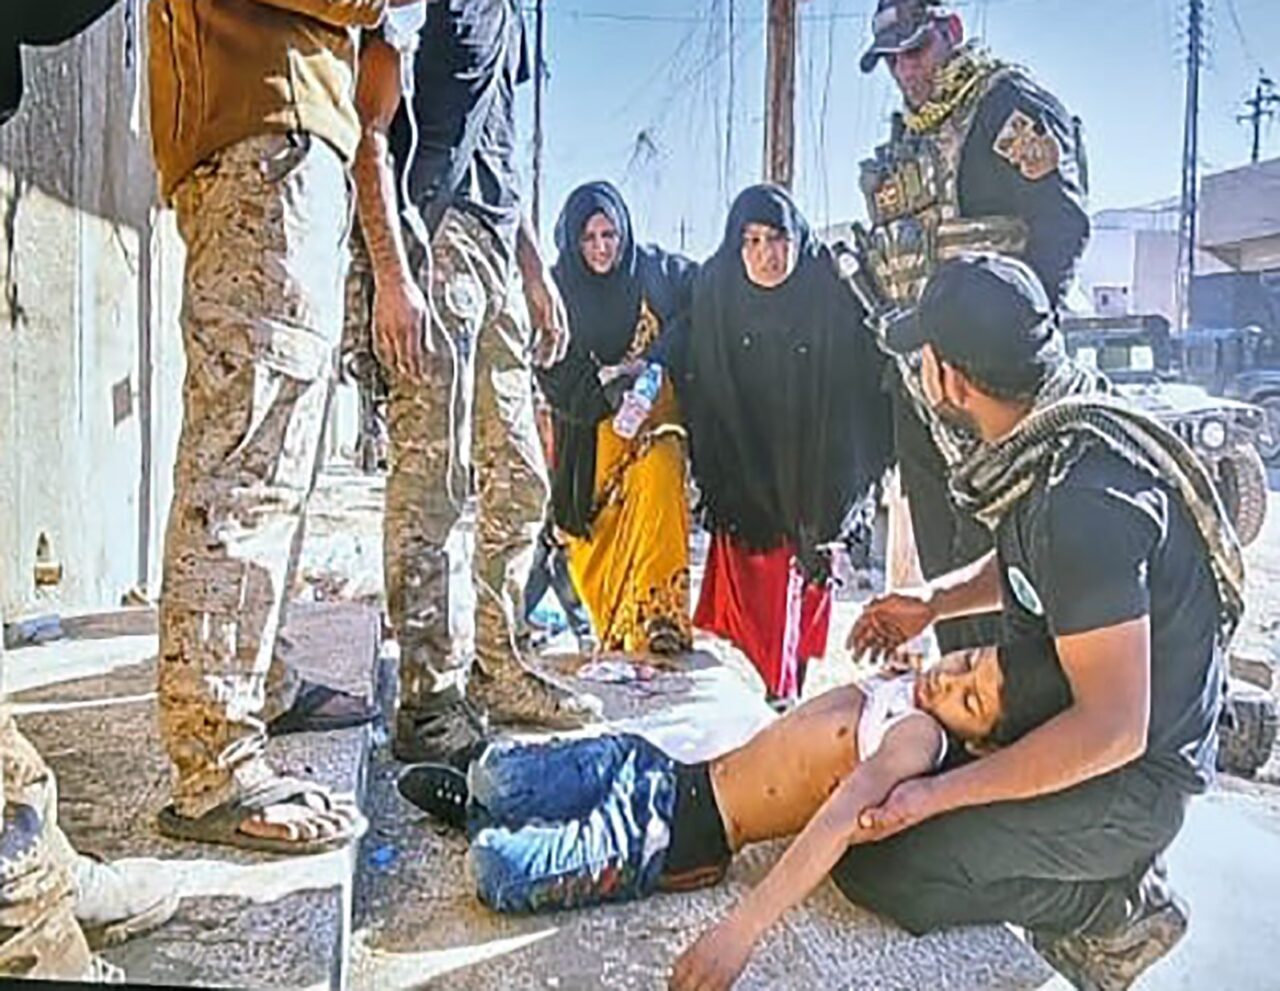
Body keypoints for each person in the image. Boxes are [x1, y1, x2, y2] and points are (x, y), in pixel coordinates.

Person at [820, 254, 1239, 991]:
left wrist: (936, 796)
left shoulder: (1083, 500)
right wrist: (934, 601)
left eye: (925, 357)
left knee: (881, 863)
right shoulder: (1053, 431)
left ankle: (1113, 909)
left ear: (950, 380)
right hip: (1094, 721)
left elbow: (1112, 729)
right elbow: (1033, 566)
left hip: (1134, 781)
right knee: (887, 780)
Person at [146, 0, 406, 852]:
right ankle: (215, 761)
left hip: (284, 133)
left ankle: (257, 686)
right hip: (260, 129)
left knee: (278, 457)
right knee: (248, 460)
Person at [396, 635, 1068, 924]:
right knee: (497, 769)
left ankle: (485, 821)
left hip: (672, 834)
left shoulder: (920, 738)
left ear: (979, 741)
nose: (950, 680)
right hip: (658, 767)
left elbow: (840, 819)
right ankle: (489, 802)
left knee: (497, 872)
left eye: (970, 699)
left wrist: (739, 932)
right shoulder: (907, 684)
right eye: (968, 661)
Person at [353, 0, 601, 768]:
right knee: (434, 480)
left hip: (494, 245)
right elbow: (367, 125)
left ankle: (498, 667)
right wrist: (391, 273)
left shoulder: (508, 15)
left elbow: (496, 141)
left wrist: (533, 267)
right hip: (433, 237)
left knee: (521, 478)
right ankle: (427, 700)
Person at [855, 0, 1090, 654]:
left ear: (951, 32)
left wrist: (1012, 351)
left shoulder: (1007, 106)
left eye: (916, 51)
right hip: (922, 384)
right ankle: (960, 689)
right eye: (892, 60)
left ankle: (1011, 701)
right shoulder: (910, 135)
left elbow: (1062, 229)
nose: (906, 70)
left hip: (993, 384)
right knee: (943, 564)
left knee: (1003, 558)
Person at [680, 185, 892, 705]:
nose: (766, 255)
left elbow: (864, 384)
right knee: (755, 598)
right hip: (745, 469)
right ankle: (763, 696)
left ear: (797, 238)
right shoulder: (717, 289)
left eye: (777, 239)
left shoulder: (830, 292)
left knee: (802, 588)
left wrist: (841, 485)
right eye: (751, 241)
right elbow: (703, 380)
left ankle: (784, 692)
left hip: (817, 470)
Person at [537, 181, 697, 656]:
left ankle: (661, 619)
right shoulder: (556, 293)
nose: (601, 248)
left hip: (657, 426)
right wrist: (612, 391)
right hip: (591, 449)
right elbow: (558, 379)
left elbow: (704, 304)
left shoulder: (656, 273)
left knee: (661, 467)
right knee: (600, 554)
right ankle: (617, 638)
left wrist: (655, 362)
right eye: (588, 238)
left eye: (609, 235)